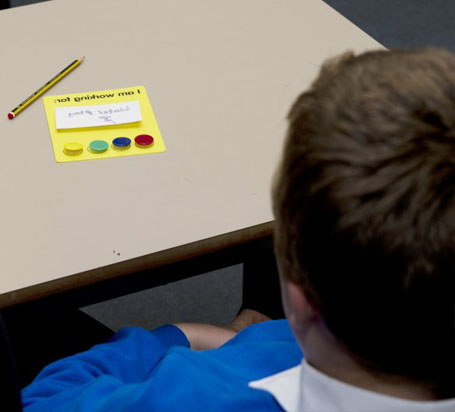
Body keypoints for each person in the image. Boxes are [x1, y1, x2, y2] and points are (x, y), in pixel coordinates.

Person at [21, 48, 454, 411]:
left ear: (300, 301)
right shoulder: (274, 342)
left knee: (28, 322)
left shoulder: (198, 388)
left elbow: (44, 399)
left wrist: (181, 334)